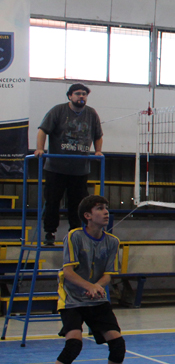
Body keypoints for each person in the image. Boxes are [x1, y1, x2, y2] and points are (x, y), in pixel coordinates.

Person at [35, 195, 128, 364]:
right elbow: (68, 272)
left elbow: (108, 274)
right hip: (72, 299)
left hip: (96, 300)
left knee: (118, 344)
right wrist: (89, 286)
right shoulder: (74, 237)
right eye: (100, 208)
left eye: (106, 208)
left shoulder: (112, 241)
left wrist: (98, 286)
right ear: (87, 216)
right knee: (73, 344)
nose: (105, 212)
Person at [35, 83, 103, 245]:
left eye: (84, 94)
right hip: (56, 168)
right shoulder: (58, 111)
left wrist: (98, 151)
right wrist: (39, 149)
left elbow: (98, 135)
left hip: (79, 169)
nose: (81, 96)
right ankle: (50, 233)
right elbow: (42, 130)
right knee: (52, 201)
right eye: (78, 93)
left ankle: (75, 234)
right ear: (70, 96)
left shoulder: (91, 113)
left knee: (79, 205)